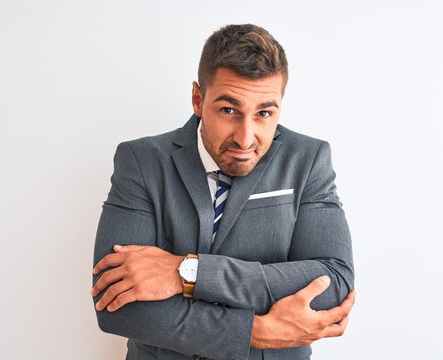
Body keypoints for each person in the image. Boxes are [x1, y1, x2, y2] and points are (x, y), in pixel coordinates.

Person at [91, 24, 355, 360]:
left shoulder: (307, 160)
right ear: (198, 99)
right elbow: (115, 306)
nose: (246, 139)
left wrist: (187, 272)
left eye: (264, 113)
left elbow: (333, 282)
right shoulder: (141, 162)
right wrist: (254, 333)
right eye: (229, 110)